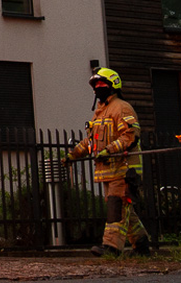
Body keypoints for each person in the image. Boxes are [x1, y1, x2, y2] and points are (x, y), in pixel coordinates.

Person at [63, 67, 150, 257]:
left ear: (113, 86)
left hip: (125, 170)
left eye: (102, 84)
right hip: (108, 172)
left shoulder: (121, 108)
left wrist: (109, 150)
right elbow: (91, 141)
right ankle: (142, 246)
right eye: (95, 85)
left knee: (116, 208)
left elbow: (130, 135)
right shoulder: (100, 112)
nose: (97, 88)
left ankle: (111, 248)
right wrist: (73, 155)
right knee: (124, 210)